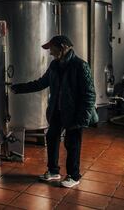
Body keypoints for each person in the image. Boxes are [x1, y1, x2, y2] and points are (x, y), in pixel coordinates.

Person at [10, 35, 98, 188]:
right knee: (51, 138)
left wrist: (82, 119)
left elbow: (89, 95)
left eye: (52, 48)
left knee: (72, 144)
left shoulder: (80, 66)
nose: (50, 52)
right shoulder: (54, 65)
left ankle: (73, 176)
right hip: (57, 111)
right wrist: (19, 88)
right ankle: (53, 171)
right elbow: (41, 83)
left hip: (74, 114)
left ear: (63, 47)